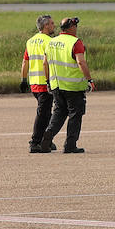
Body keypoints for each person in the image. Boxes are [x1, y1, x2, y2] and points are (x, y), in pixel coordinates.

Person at [39, 17, 93, 154]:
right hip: (73, 87)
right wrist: (89, 80)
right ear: (71, 28)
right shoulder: (75, 42)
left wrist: (48, 81)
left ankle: (48, 134)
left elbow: (45, 63)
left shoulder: (52, 42)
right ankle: (70, 145)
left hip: (56, 86)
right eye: (75, 26)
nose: (76, 28)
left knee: (59, 113)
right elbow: (81, 62)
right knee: (75, 114)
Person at [19, 14, 58, 153]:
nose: (54, 26)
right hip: (45, 83)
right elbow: (48, 63)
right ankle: (35, 142)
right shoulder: (49, 41)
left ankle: (45, 140)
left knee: (46, 113)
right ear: (46, 26)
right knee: (43, 114)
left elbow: (25, 61)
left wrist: (24, 80)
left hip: (34, 83)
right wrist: (50, 81)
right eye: (52, 23)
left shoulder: (30, 41)